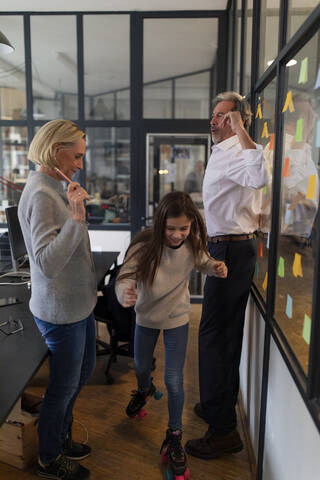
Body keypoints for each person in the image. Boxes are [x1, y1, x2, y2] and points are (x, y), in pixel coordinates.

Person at [115, 191, 227, 478]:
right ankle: (143, 390)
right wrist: (124, 291)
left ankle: (174, 434)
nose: (177, 235)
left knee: (174, 380)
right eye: (171, 228)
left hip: (177, 317)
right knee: (140, 367)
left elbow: (203, 261)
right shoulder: (143, 246)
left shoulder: (192, 244)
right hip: (146, 318)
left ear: (191, 226)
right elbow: (125, 276)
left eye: (183, 228)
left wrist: (215, 267)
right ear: (160, 222)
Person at [185, 91, 269, 459]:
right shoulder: (222, 152)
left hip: (232, 250)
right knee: (218, 334)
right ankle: (216, 406)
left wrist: (241, 132)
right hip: (223, 245)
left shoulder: (241, 150)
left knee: (215, 337)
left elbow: (261, 175)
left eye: (223, 116)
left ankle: (222, 432)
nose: (214, 121)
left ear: (240, 120)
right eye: (215, 115)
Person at [18, 120, 97, 480]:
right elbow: (47, 264)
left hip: (79, 304)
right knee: (62, 388)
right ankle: (49, 459)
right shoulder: (41, 193)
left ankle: (61, 438)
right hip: (61, 311)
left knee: (79, 378)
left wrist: (75, 213)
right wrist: (77, 217)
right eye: (76, 155)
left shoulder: (57, 185)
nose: (80, 163)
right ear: (55, 151)